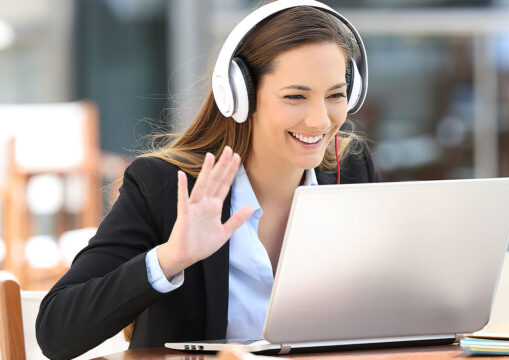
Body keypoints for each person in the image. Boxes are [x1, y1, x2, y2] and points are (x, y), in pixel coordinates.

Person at [35, 1, 380, 359]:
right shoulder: (166, 185)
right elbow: (56, 333)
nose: (320, 121)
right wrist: (170, 258)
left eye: (336, 95)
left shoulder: (350, 169)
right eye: (295, 96)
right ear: (240, 94)